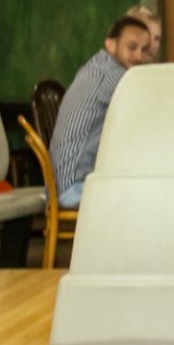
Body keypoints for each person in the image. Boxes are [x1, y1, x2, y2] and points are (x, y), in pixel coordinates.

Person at [51, 15, 153, 207]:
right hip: (74, 188)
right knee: (149, 195)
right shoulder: (113, 74)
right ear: (110, 44)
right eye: (132, 47)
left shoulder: (97, 66)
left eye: (144, 50)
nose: (139, 56)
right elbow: (149, 110)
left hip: (63, 185)